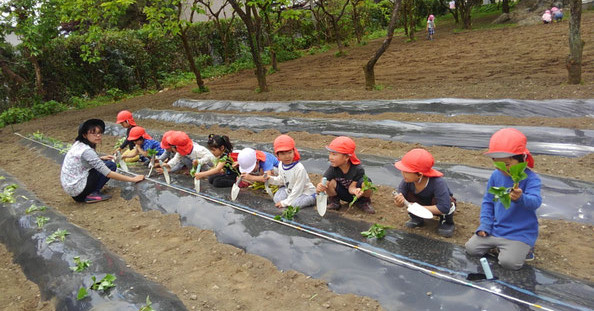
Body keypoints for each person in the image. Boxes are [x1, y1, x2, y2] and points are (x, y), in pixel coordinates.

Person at [465, 128, 542, 270]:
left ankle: (526, 248)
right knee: (471, 249)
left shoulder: (531, 179)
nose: (502, 169)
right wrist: (485, 225)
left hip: (519, 233)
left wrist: (521, 198)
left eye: (507, 164)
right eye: (497, 164)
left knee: (509, 263)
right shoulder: (496, 176)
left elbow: (535, 202)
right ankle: (499, 246)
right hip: (496, 228)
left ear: (522, 159)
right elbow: (488, 202)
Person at [60, 119, 144, 203]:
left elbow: (81, 161)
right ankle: (92, 194)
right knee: (110, 166)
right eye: (93, 133)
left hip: (73, 188)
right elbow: (107, 173)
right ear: (85, 135)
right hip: (79, 191)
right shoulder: (87, 151)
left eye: (99, 133)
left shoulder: (79, 144)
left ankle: (90, 191)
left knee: (106, 163)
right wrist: (133, 179)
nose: (98, 136)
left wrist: (101, 158)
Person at [393, 148, 456, 237]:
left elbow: (444, 207)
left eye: (406, 171)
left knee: (448, 203)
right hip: (421, 203)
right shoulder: (407, 181)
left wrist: (416, 207)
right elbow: (401, 201)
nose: (402, 173)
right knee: (409, 196)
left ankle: (446, 222)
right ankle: (416, 218)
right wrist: (399, 202)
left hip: (437, 206)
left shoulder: (437, 183)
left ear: (419, 174)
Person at [316, 136, 375, 214]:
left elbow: (352, 188)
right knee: (330, 182)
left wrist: (356, 191)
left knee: (367, 182)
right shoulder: (333, 169)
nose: (330, 157)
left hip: (357, 195)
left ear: (346, 157)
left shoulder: (358, 169)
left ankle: (364, 202)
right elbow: (325, 181)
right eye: (330, 154)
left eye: (334, 154)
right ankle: (334, 201)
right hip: (342, 193)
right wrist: (320, 187)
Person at [266, 135, 316, 209]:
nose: (287, 156)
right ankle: (289, 198)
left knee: (294, 205)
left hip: (304, 191)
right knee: (277, 199)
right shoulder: (281, 165)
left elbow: (298, 189)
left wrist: (285, 203)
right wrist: (270, 179)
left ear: (294, 152)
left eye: (289, 152)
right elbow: (281, 180)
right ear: (277, 155)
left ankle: (314, 198)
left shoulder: (299, 168)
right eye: (283, 154)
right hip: (291, 189)